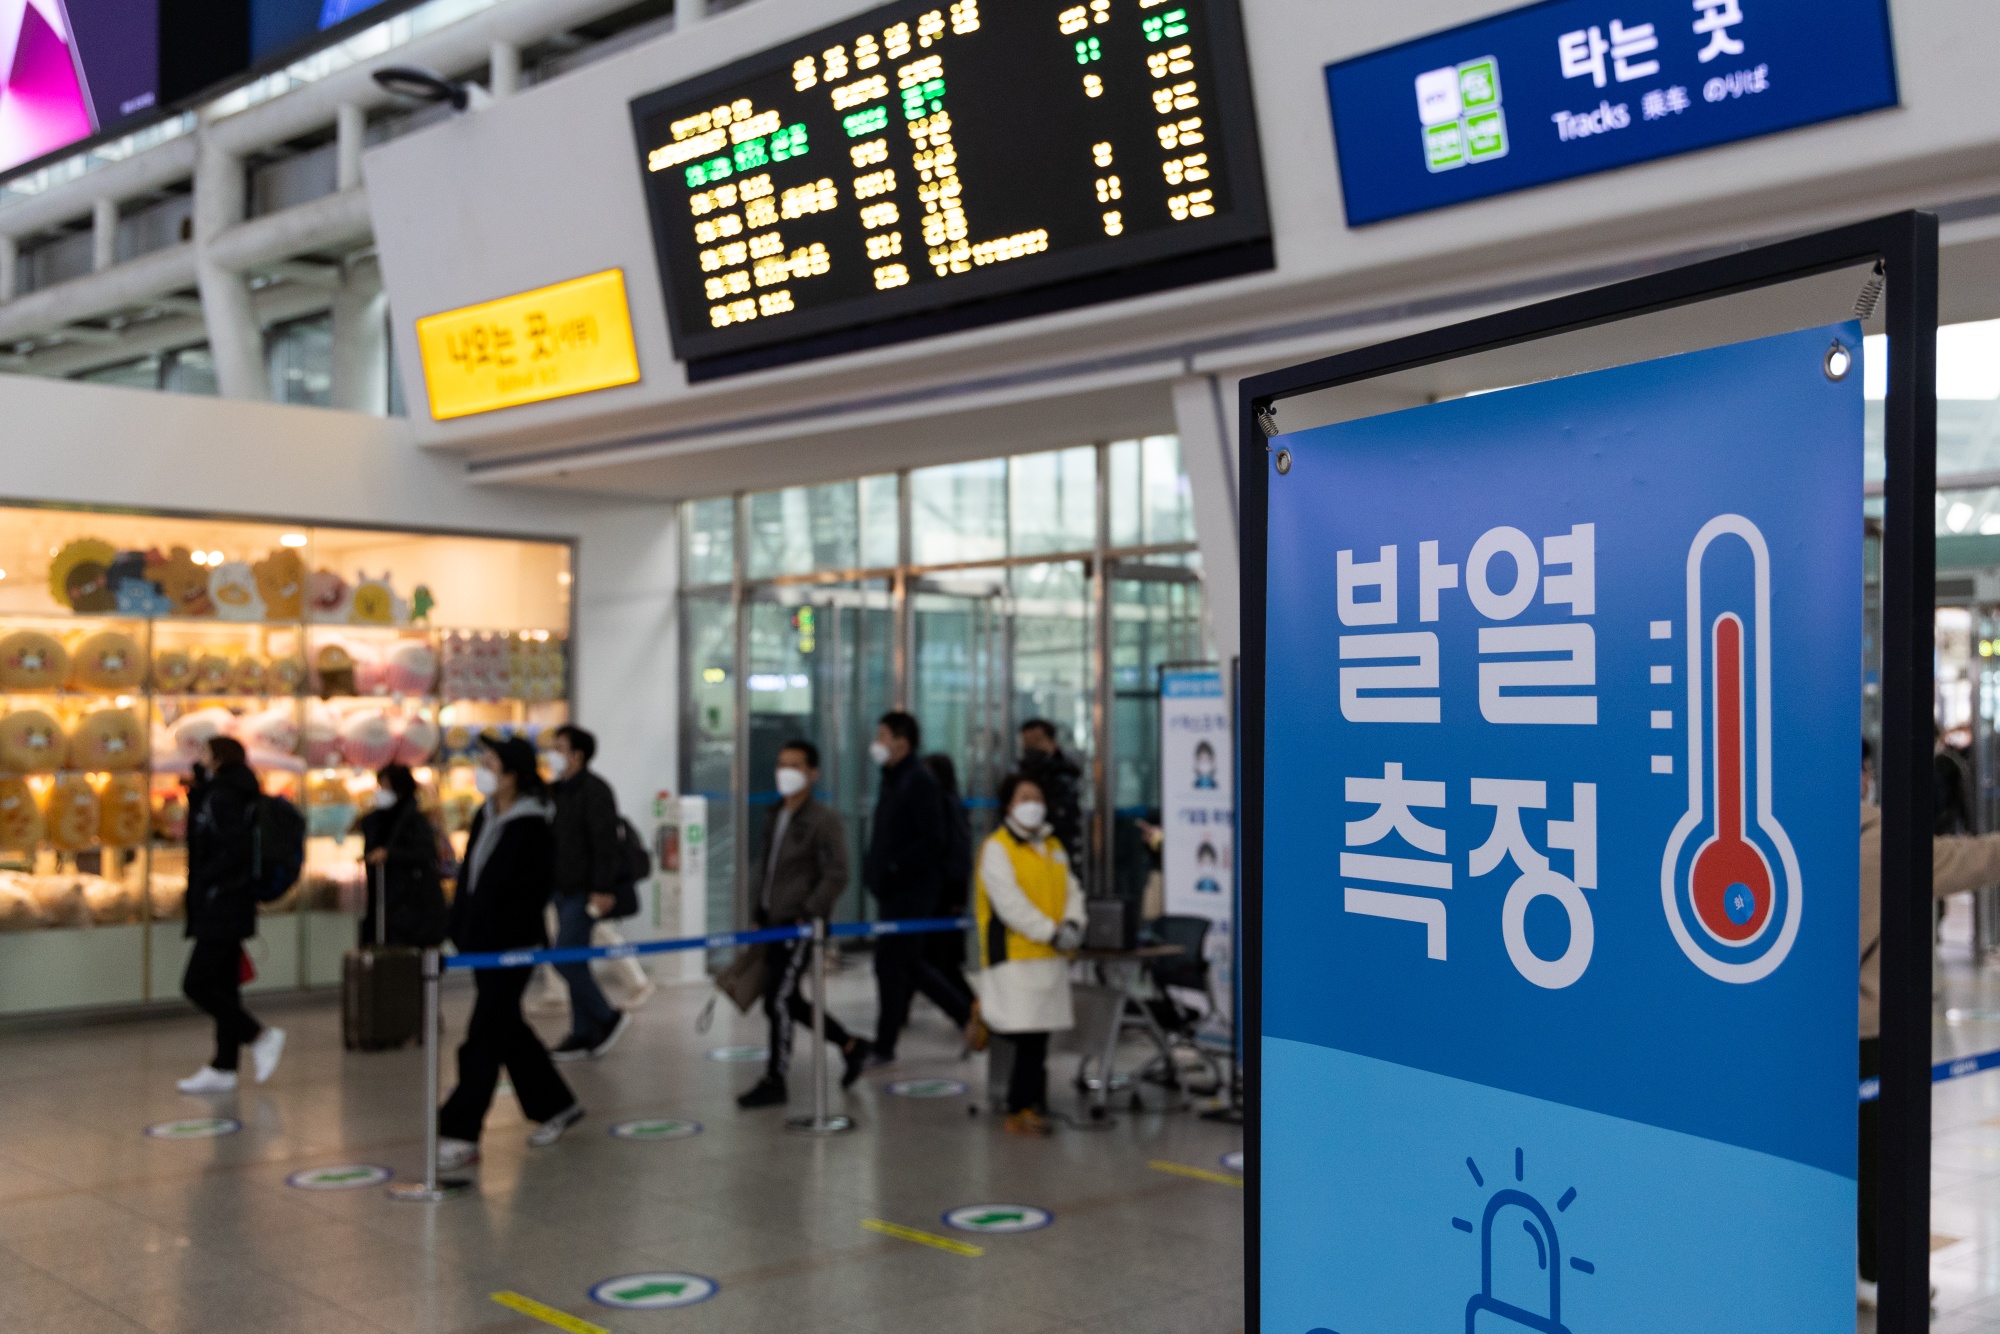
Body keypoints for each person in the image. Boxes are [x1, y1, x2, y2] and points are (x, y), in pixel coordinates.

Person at [1858, 739, 2000, 1309]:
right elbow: (1972, 860)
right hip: (1871, 1029)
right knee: (1881, 1159)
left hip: (1808, 1035)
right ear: (1864, 775)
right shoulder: (1880, 842)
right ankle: (1878, 1268)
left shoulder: (1787, 839)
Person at [436, 735, 583, 1169]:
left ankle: (460, 1131)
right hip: (479, 945)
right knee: (507, 1029)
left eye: (490, 762)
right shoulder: (487, 815)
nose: (481, 768)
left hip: (511, 947)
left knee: (482, 1036)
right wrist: (458, 927)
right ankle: (556, 1104)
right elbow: (471, 878)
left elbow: (531, 892)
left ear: (512, 774)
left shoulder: (533, 824)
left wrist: (497, 935)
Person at [737, 740, 872, 1108]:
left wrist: (809, 911)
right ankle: (851, 1045)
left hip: (800, 925)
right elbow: (765, 867)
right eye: (782, 764)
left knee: (777, 1001)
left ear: (812, 773)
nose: (786, 772)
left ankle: (775, 1078)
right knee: (789, 1000)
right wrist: (755, 911)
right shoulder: (775, 813)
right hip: (771, 922)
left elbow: (837, 873)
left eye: (795, 765)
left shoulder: (823, 819)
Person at [972, 773, 1087, 1136]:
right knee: (1028, 1035)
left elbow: (1073, 890)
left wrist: (1073, 924)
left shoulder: (1053, 845)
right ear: (1009, 804)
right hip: (1016, 953)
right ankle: (1019, 1108)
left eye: (1037, 796)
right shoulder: (997, 847)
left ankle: (1032, 1103)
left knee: (1039, 1033)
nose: (1032, 803)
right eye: (1024, 796)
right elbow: (1009, 904)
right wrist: (1052, 932)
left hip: (1051, 956)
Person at [176, 736, 286, 1094]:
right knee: (224, 985)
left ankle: (259, 1036)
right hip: (226, 902)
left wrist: (207, 882)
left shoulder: (224, 796)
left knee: (197, 983)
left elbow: (230, 848)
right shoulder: (226, 791)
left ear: (219, 758)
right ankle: (223, 1066)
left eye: (204, 752)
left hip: (222, 903)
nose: (200, 757)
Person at [865, 711, 974, 1064]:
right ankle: (889, 1042)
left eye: (883, 736)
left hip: (911, 891)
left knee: (896, 963)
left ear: (902, 742)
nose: (877, 743)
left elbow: (933, 839)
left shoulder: (917, 781)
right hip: (894, 889)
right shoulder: (894, 779)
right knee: (902, 964)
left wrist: (896, 866)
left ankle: (963, 1015)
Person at [546, 724, 634, 1061]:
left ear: (577, 755)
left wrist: (602, 887)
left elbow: (604, 844)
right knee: (574, 957)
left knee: (564, 956)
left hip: (584, 890)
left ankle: (607, 1016)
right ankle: (583, 1030)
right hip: (562, 887)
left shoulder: (595, 791)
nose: (553, 754)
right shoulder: (558, 792)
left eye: (559, 748)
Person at [357, 762, 447, 949]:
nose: (380, 792)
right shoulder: (377, 820)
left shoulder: (415, 822)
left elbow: (426, 853)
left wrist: (390, 855)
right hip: (386, 906)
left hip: (409, 909)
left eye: (385, 787)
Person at [1019, 719, 1085, 868]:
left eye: (1037, 741)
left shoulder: (1065, 775)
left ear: (1052, 743)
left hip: (1058, 848)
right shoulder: (1019, 775)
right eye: (1026, 743)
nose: (1031, 748)